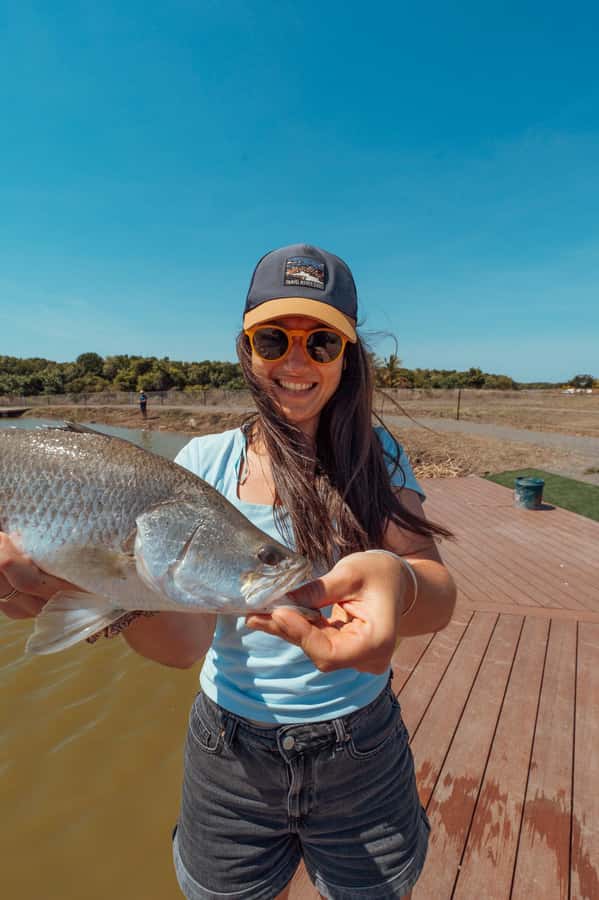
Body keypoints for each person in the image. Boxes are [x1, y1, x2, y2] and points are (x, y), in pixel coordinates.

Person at [0, 243, 456, 900]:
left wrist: (402, 581)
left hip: (361, 746)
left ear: (347, 358)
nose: (295, 361)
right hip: (228, 756)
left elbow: (435, 598)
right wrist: (88, 590)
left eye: (321, 343)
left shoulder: (375, 454)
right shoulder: (202, 464)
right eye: (273, 339)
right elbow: (180, 647)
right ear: (246, 352)